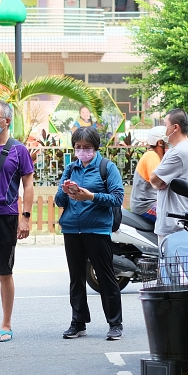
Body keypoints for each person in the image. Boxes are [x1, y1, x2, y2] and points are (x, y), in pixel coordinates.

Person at [55, 126, 125, 340]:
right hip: (71, 229)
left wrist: (91, 196)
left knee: (105, 276)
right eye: (78, 147)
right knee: (76, 277)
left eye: (87, 147)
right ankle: (78, 322)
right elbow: (59, 201)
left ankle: (115, 324)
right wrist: (67, 191)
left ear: (95, 147)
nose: (82, 151)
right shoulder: (71, 168)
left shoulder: (107, 167)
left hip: (97, 229)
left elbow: (117, 198)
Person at [0, 101, 35, 343]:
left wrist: (25, 217)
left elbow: (28, 184)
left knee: (4, 271)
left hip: (6, 216)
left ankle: (6, 324)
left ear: (6, 121)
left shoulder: (18, 150)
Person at [149, 108, 188, 247]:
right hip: (178, 223)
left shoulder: (177, 152)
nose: (164, 130)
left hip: (174, 225)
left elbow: (154, 179)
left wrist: (159, 182)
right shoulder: (185, 147)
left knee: (170, 267)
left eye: (165, 125)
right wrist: (159, 182)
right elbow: (156, 181)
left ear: (175, 127)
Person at [130, 126, 167, 222]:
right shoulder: (152, 156)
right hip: (146, 206)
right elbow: (160, 182)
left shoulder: (154, 156)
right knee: (174, 218)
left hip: (148, 203)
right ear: (160, 142)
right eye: (167, 141)